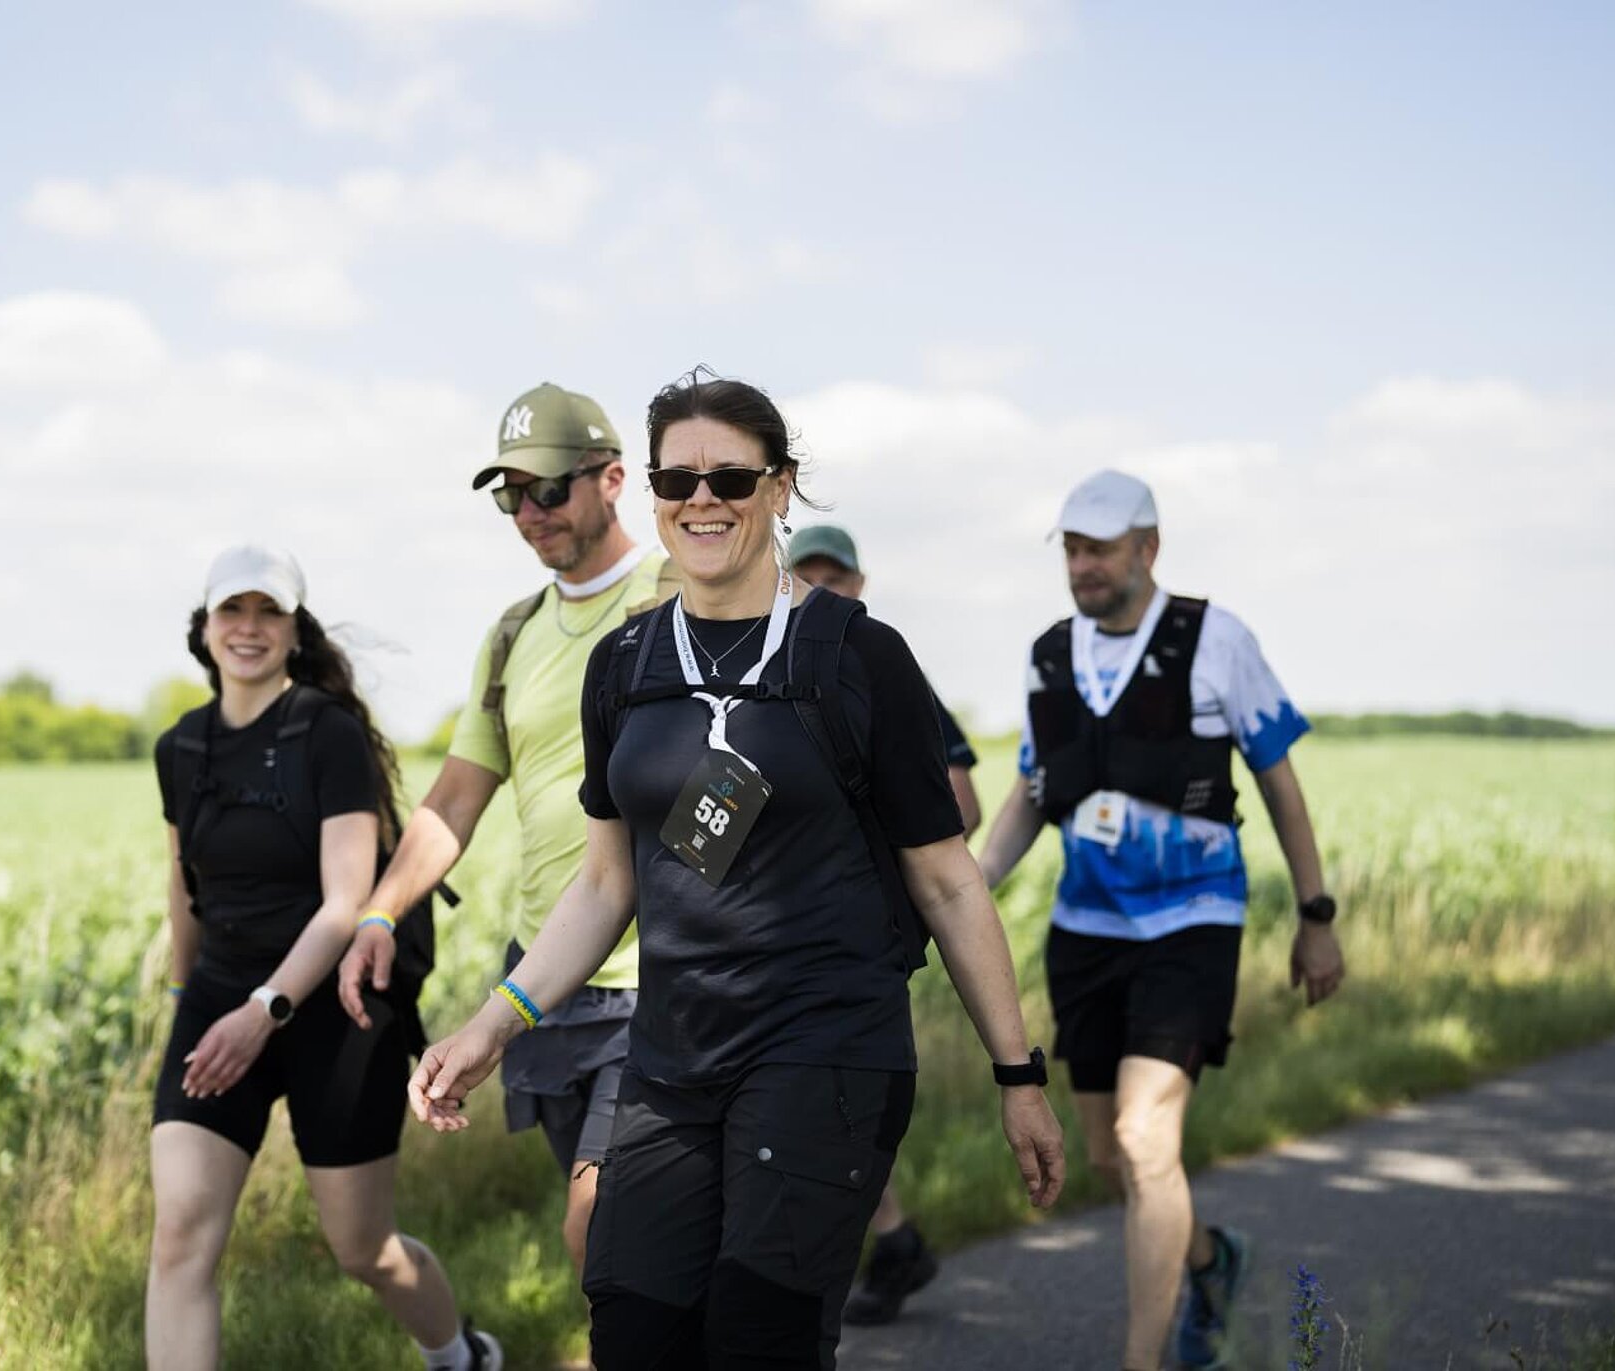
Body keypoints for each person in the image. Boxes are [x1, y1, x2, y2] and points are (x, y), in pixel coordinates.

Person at [408, 371, 1065, 1370]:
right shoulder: (624, 669)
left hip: (824, 1049)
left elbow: (945, 880)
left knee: (758, 1339)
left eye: (731, 478)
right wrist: (493, 1023)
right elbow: (604, 886)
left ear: (780, 488)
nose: (702, 500)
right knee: (634, 1327)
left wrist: (1018, 1075)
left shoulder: (859, 657)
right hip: (674, 1058)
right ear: (654, 493)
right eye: (679, 479)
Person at [975, 470, 1346, 1371]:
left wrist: (1315, 914)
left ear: (1148, 547)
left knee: (1148, 1140)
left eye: (1098, 547)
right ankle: (1213, 1262)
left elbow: (1279, 784)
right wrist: (970, 885)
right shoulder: (1049, 654)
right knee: (1109, 1153)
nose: (1082, 565)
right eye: (1070, 548)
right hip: (1086, 927)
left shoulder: (1217, 639)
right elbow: (1033, 793)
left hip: (1193, 922)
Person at [338, 383, 670, 1275]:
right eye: (510, 495)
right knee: (638, 1264)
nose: (528, 513)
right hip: (548, 980)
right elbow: (452, 801)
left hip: (661, 972)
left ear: (611, 480)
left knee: (600, 1230)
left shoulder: (674, 591)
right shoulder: (513, 634)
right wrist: (378, 914)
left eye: (548, 489)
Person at [148, 545, 501, 1371]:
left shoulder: (324, 732)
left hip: (335, 1007)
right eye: (232, 610)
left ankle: (459, 1357)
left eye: (268, 612)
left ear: (294, 630)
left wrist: (262, 1010)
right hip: (221, 1001)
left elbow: (346, 904)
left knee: (362, 1247)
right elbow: (182, 883)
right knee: (180, 1238)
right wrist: (183, 994)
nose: (249, 627)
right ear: (203, 628)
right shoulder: (181, 747)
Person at [785, 522, 980, 1328]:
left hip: (863, 934)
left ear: (860, 585)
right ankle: (893, 1239)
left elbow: (960, 803)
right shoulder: (765, 674)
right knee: (822, 1113)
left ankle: (862, 1260)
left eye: (838, 577)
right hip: (781, 938)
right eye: (809, 575)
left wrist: (882, 836)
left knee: (830, 1109)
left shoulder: (883, 667)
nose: (824, 590)